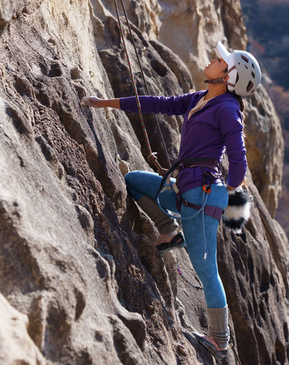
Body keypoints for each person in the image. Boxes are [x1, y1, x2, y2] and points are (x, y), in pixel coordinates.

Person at [82, 41, 261, 361]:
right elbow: (157, 103)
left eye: (219, 60)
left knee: (206, 269)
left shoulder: (227, 109)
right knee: (135, 181)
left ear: (228, 75)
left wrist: (228, 189)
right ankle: (170, 228)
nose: (211, 59)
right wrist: (103, 103)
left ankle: (220, 340)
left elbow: (239, 159)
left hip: (204, 194)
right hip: (188, 188)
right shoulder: (201, 99)